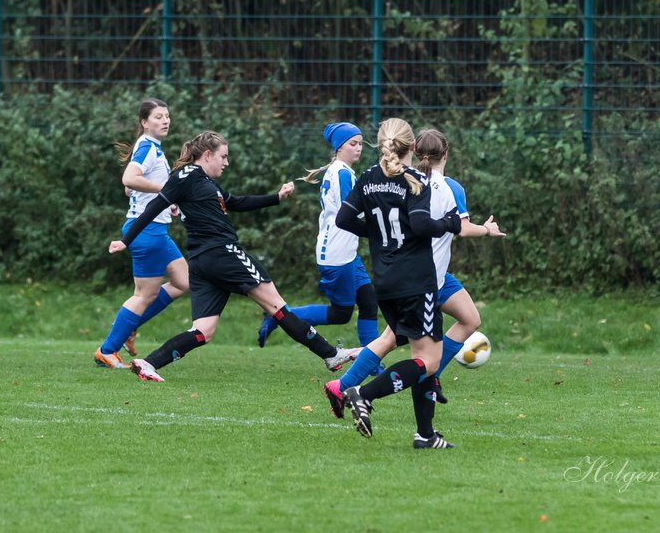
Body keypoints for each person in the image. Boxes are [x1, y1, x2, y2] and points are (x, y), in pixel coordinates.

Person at [108, 130, 359, 382]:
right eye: (223, 157)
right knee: (276, 305)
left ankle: (148, 363)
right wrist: (125, 241)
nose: (226, 163)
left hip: (202, 261)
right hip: (222, 253)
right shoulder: (186, 178)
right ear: (207, 155)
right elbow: (154, 206)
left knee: (203, 331)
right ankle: (330, 355)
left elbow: (236, 202)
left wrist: (276, 197)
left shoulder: (203, 182)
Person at [326, 127, 505, 417]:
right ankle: (360, 388)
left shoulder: (401, 179)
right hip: (423, 277)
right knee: (395, 340)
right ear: (446, 154)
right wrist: (487, 229)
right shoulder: (446, 186)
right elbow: (461, 227)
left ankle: (418, 380)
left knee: (468, 319)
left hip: (421, 273)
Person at [325, 117, 464, 449]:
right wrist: (450, 222)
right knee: (428, 361)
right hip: (416, 280)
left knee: (422, 357)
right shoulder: (415, 179)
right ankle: (364, 393)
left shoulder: (369, 178)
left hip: (384, 281)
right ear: (412, 147)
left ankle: (426, 435)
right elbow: (419, 225)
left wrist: (376, 234)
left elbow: (344, 219)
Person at [256, 121, 380, 351]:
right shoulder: (342, 174)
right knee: (341, 313)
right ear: (339, 147)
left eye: (361, 143)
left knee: (369, 302)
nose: (359, 148)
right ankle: (278, 315)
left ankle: (372, 361)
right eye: (353, 143)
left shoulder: (340, 171)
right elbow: (351, 212)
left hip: (347, 253)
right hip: (338, 255)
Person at [93, 98, 189, 369]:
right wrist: (163, 191)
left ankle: (126, 329)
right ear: (144, 122)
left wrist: (163, 202)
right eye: (158, 117)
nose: (165, 120)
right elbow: (128, 179)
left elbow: (131, 189)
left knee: (183, 281)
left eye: (167, 116)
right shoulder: (147, 147)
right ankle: (108, 349)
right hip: (146, 231)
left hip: (155, 229)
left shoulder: (152, 148)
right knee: (143, 295)